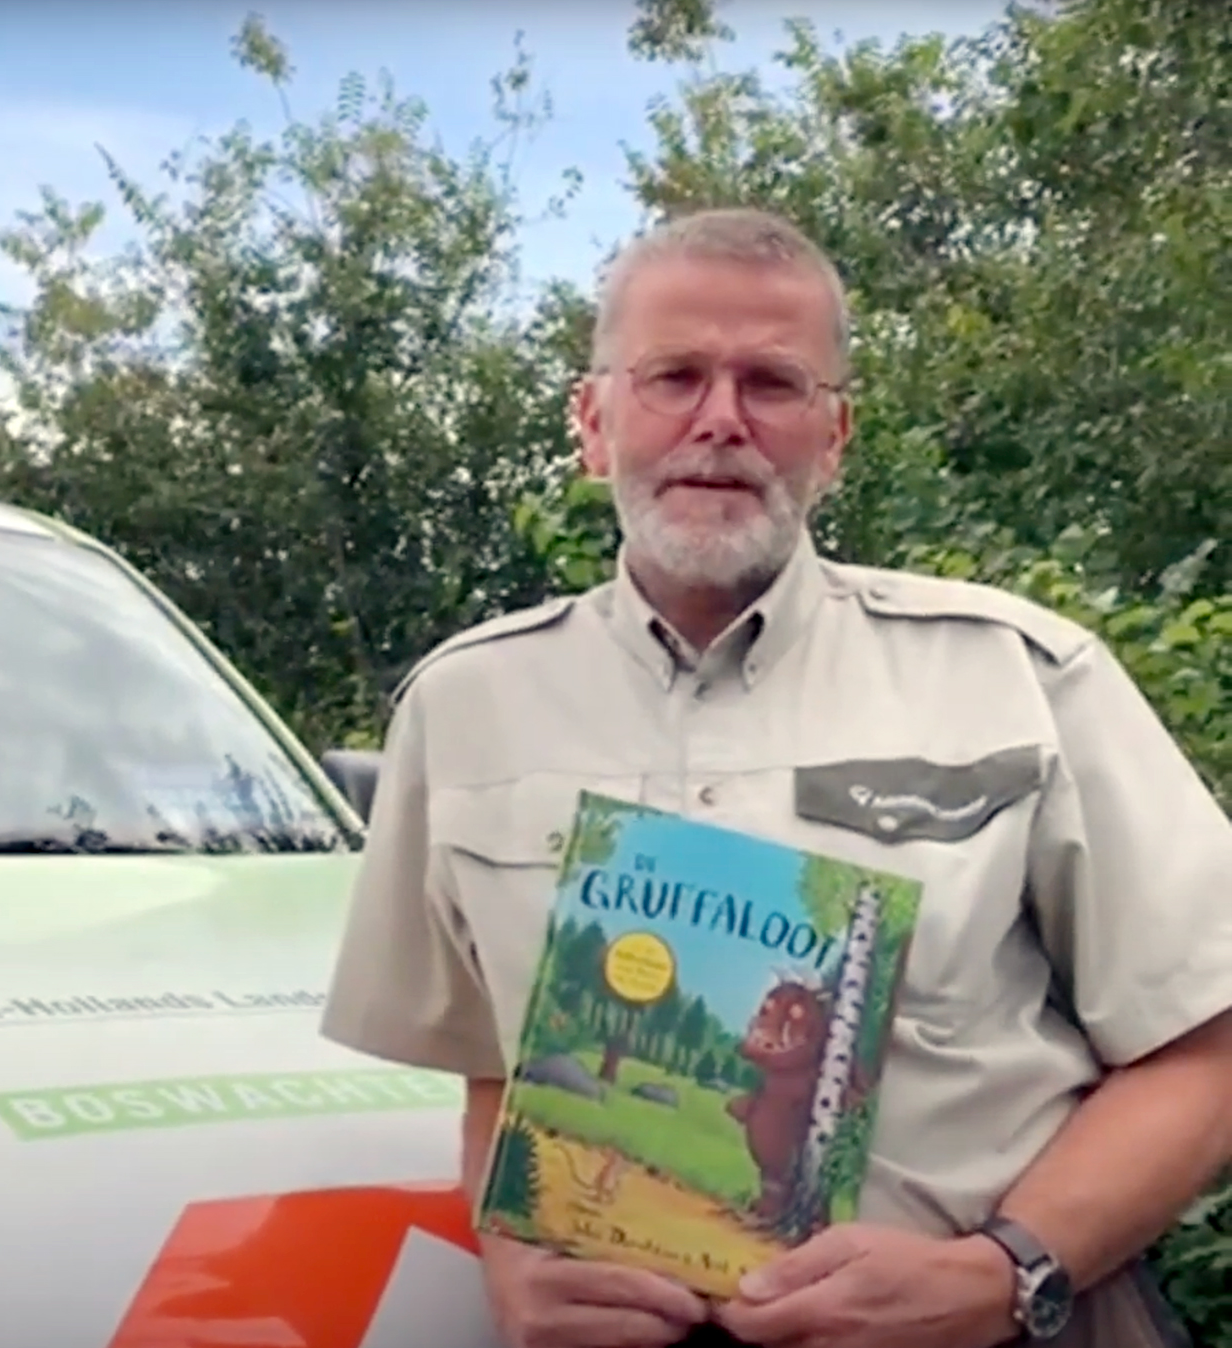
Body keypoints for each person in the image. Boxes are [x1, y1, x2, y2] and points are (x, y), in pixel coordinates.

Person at [318, 206, 1232, 1348]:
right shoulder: (465, 708)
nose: (721, 420)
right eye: (674, 376)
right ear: (593, 423)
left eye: (772, 383)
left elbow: (1206, 1049)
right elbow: (491, 1072)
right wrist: (511, 1260)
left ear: (834, 437)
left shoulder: (1019, 678)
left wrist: (1003, 1273)